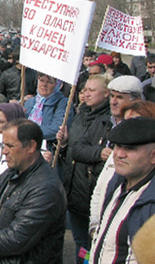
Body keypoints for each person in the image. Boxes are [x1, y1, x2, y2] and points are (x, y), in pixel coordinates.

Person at [0, 119, 67, 263]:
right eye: (3, 145)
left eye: (10, 146)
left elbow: (18, 237)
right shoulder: (10, 174)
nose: (4, 151)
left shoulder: (45, 188)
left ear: (31, 146)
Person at [58, 74, 111, 263]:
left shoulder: (108, 120)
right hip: (75, 189)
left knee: (94, 243)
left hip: (91, 190)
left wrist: (93, 152)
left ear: (106, 94)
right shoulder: (80, 115)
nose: (86, 94)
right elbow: (74, 151)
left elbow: (98, 153)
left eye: (91, 90)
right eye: (84, 90)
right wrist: (64, 145)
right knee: (81, 242)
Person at [89, 117, 155, 263]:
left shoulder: (151, 202)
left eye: (130, 149)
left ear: (153, 156)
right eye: (117, 146)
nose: (119, 154)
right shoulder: (117, 184)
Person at [24, 72, 73, 146]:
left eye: (49, 82)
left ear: (58, 85)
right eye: (42, 80)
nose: (44, 85)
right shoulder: (29, 102)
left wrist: (28, 132)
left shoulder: (63, 103)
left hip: (47, 148)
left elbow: (56, 128)